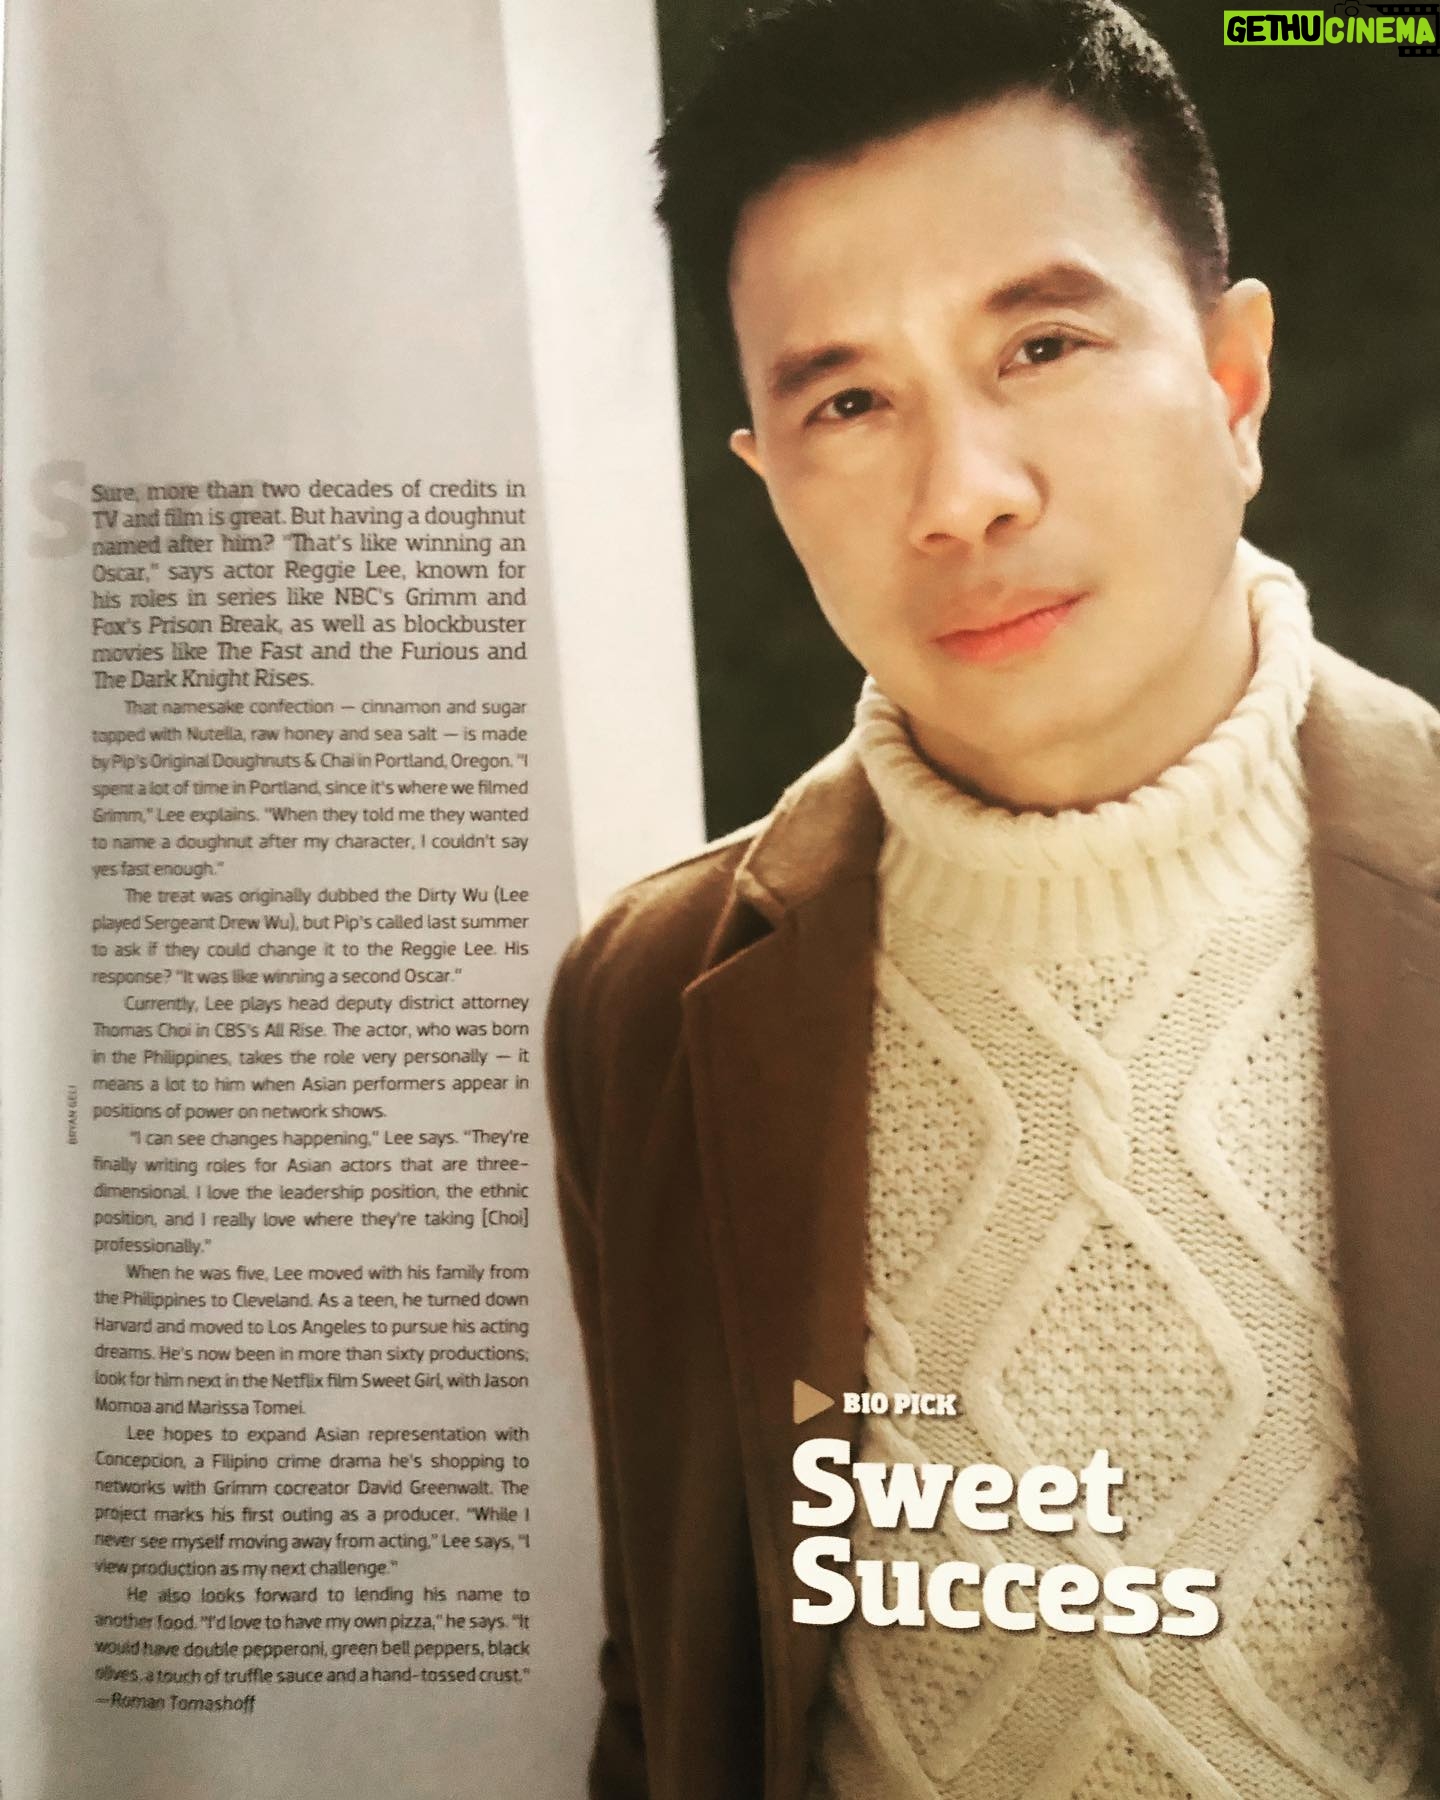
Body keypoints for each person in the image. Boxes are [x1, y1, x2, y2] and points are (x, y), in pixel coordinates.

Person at [544, 1, 1440, 1795]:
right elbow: (673, 1695)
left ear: (1235, 380)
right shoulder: (646, 1000)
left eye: (1042, 344)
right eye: (850, 401)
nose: (962, 497)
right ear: (767, 478)